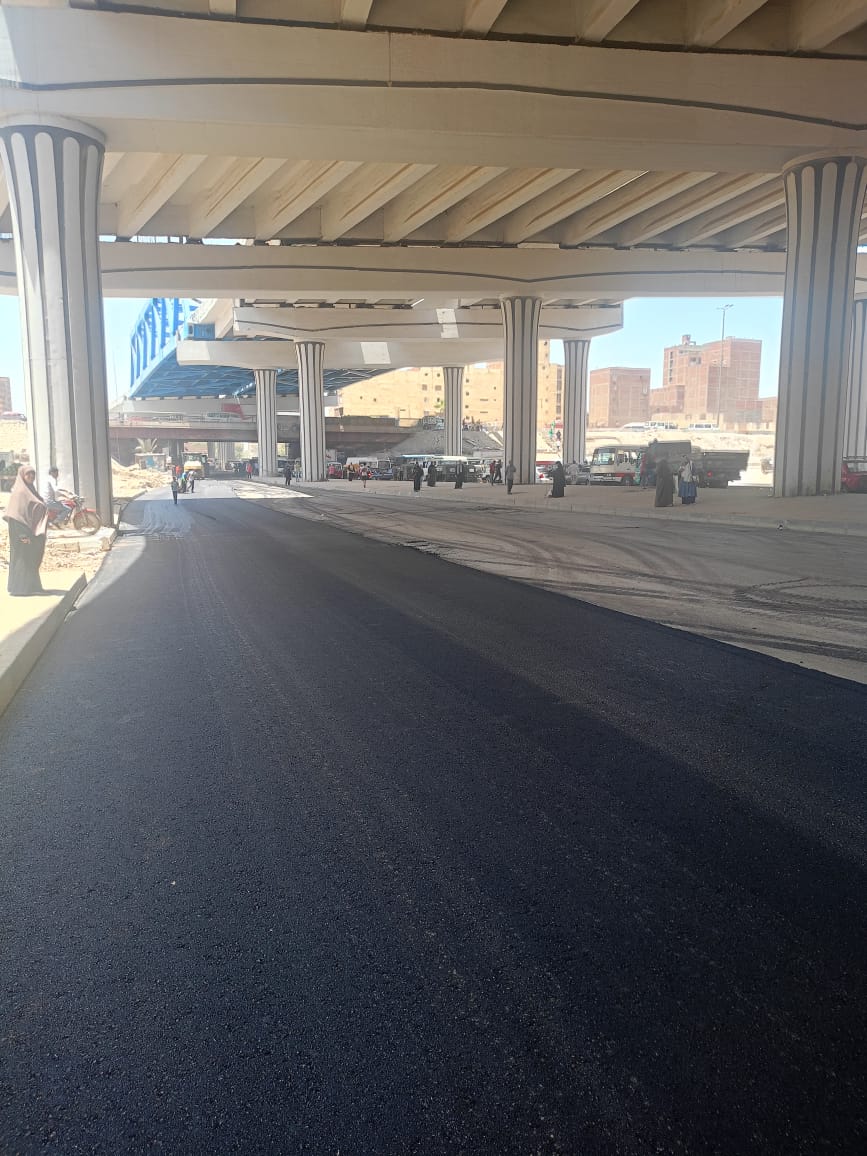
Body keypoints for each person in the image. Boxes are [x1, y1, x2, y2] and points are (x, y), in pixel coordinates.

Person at [3, 466, 47, 596]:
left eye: (33, 474)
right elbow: (15, 516)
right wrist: (22, 535)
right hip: (21, 532)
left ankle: (32, 586)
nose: (31, 477)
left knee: (31, 559)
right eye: (28, 474)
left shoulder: (31, 490)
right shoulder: (19, 493)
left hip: (30, 531)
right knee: (22, 559)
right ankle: (20, 589)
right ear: (22, 476)